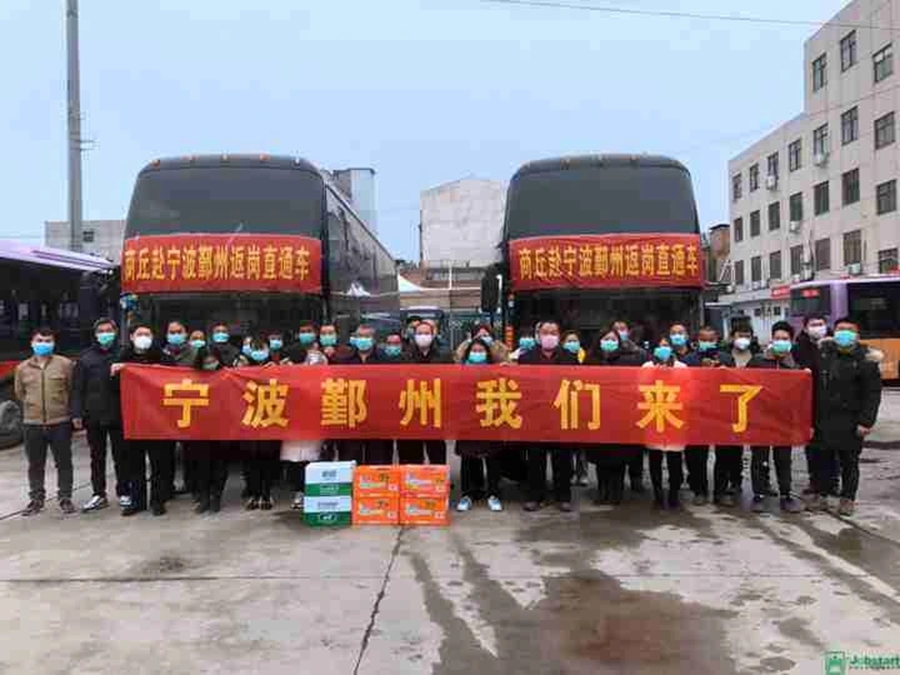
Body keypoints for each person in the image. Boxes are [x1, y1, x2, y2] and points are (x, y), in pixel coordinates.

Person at [809, 317, 882, 516]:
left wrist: (866, 421)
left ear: (857, 335)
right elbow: (811, 385)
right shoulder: (823, 353)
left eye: (849, 330)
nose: (844, 333)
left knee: (849, 462)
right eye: (840, 329)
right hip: (824, 418)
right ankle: (821, 495)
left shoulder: (867, 359)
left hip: (851, 420)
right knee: (822, 460)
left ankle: (848, 498)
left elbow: (872, 394)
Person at [112, 324, 175, 516]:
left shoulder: (164, 358)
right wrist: (115, 373)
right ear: (131, 337)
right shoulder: (122, 358)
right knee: (134, 463)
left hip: (158, 419)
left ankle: (158, 500)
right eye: (140, 334)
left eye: (147, 334)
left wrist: (162, 371)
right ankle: (137, 501)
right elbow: (113, 389)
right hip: (133, 418)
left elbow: (175, 382)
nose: (144, 337)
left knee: (159, 463)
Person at [14, 328, 75, 516]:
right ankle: (36, 499)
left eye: (48, 340)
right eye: (39, 340)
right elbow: (20, 394)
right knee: (35, 464)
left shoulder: (65, 364)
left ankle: (65, 498)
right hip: (32, 423)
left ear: (54, 343)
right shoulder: (22, 368)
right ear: (32, 343)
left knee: (63, 462)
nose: (43, 344)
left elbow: (71, 390)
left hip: (60, 422)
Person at [520, 320, 578, 512]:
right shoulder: (526, 358)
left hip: (561, 413)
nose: (549, 336)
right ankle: (535, 496)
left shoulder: (570, 357)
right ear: (538, 335)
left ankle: (563, 497)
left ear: (559, 336)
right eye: (545, 332)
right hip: (535, 415)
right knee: (535, 459)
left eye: (553, 332)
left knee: (562, 459)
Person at [747, 322, 805, 514]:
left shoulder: (795, 364)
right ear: (771, 339)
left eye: (785, 339)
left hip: (784, 420)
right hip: (760, 419)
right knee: (759, 458)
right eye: (777, 338)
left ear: (791, 341)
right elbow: (743, 383)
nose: (781, 341)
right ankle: (759, 494)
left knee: (783, 458)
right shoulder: (758, 361)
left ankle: (786, 494)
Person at [71, 318, 127, 512]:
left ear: (115, 331)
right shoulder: (85, 358)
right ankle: (98, 494)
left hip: (119, 413)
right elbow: (77, 388)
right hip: (93, 414)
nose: (105, 334)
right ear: (95, 334)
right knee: (97, 457)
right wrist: (76, 413)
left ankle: (124, 492)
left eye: (108, 330)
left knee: (122, 456)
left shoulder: (124, 354)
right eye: (101, 331)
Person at [586, 328, 644, 505]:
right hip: (598, 414)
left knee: (619, 457)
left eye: (613, 339)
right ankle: (602, 490)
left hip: (621, 415)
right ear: (599, 341)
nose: (609, 342)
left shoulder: (628, 360)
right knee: (601, 457)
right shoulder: (590, 360)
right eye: (606, 338)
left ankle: (617, 492)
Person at [682, 326, 733, 506]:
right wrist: (701, 371)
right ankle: (699, 490)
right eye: (704, 339)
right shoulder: (688, 360)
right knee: (696, 454)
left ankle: (721, 491)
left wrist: (724, 372)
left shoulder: (726, 358)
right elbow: (682, 385)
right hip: (696, 412)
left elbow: (735, 384)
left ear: (717, 341)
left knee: (724, 454)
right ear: (697, 341)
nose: (707, 342)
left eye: (711, 340)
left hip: (721, 411)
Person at [456, 338, 504, 513]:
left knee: (492, 458)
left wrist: (507, 371)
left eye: (481, 351)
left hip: (489, 418)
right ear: (468, 353)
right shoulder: (459, 371)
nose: (477, 354)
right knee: (467, 458)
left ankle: (493, 494)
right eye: (474, 351)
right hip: (467, 420)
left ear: (487, 354)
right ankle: (467, 495)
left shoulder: (495, 370)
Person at [336, 323, 395, 465]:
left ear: (373, 339)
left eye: (367, 336)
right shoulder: (345, 359)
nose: (363, 339)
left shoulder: (385, 360)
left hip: (378, 417)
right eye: (360, 336)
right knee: (351, 457)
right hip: (352, 417)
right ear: (355, 338)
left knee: (377, 458)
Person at [236, 337, 281, 510]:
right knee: (249, 460)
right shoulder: (241, 367)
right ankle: (253, 494)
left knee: (268, 458)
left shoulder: (276, 367)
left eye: (261, 348)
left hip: (270, 418)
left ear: (268, 349)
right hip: (248, 420)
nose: (258, 352)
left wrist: (277, 370)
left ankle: (266, 493)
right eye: (255, 348)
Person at [642, 337, 686, 510]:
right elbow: (640, 388)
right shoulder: (647, 366)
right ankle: (658, 494)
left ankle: (674, 493)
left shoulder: (681, 367)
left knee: (675, 460)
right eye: (660, 345)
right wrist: (655, 374)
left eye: (666, 345)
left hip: (675, 417)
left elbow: (688, 388)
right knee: (655, 458)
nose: (663, 348)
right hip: (654, 416)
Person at [398, 321, 450, 465]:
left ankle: (438, 476)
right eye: (420, 333)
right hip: (412, 409)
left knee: (436, 451)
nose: (423, 336)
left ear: (433, 335)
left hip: (435, 409)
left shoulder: (444, 356)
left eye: (426, 333)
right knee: (412, 452)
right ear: (414, 336)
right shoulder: (405, 356)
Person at [281, 349, 329, 510]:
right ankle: (298, 493)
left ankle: (313, 492)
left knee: (313, 459)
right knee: (294, 461)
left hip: (314, 421)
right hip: (292, 423)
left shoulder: (318, 360)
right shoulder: (285, 367)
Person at [712, 326, 753, 507]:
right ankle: (720, 491)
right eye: (740, 335)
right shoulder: (723, 357)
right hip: (725, 409)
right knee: (723, 452)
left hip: (747, 408)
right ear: (732, 337)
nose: (743, 338)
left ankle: (736, 482)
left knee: (738, 450)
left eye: (747, 335)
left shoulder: (756, 357)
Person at [793, 314, 832, 496]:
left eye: (821, 324)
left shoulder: (833, 345)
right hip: (808, 402)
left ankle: (833, 481)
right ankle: (814, 480)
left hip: (831, 402)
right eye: (813, 324)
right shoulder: (799, 347)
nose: (818, 327)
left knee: (832, 445)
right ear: (806, 328)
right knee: (812, 445)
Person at [611, 319, 649, 493]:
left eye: (623, 328)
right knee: (617, 446)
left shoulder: (640, 353)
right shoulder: (609, 353)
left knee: (636, 445)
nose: (620, 332)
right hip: (615, 406)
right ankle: (617, 480)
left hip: (635, 404)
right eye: (616, 329)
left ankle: (636, 478)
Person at [190, 346, 230, 513]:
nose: (210, 365)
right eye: (206, 362)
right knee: (202, 464)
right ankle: (204, 497)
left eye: (213, 361)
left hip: (222, 426)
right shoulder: (192, 376)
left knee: (220, 463)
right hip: (200, 427)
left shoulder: (228, 375)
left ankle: (217, 497)